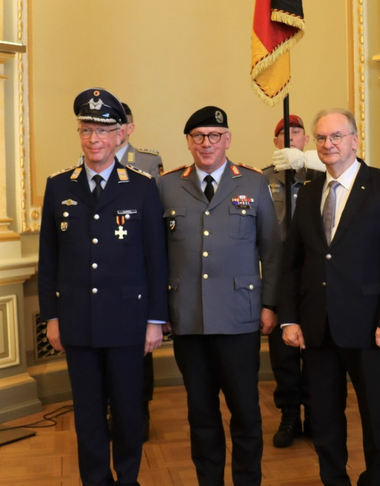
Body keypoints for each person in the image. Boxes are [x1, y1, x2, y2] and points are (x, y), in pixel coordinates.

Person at [38, 88, 169, 486]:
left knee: (128, 411)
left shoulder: (142, 187)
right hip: (77, 321)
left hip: (128, 321)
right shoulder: (59, 186)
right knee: (88, 413)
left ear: (119, 135)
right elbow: (49, 260)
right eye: (86, 130)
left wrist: (155, 320)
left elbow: (156, 259)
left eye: (102, 131)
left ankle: (128, 479)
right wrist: (52, 318)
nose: (93, 139)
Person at [280, 108, 380, 486]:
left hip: (371, 327)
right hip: (317, 327)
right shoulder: (309, 193)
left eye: (337, 136)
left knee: (376, 417)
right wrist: (289, 318)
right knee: (324, 417)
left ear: (355, 140)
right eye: (322, 138)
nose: (329, 144)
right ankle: (333, 479)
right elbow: (293, 262)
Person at [159, 106, 282, 486]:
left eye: (214, 136)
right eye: (198, 136)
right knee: (201, 414)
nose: (206, 143)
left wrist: (270, 304)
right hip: (188, 317)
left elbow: (272, 250)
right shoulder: (166, 186)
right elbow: (155, 255)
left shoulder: (253, 183)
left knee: (245, 411)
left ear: (227, 139)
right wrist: (159, 311)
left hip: (239, 317)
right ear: (188, 141)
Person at [262, 114, 321, 447]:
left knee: (314, 349)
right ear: (275, 143)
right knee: (283, 354)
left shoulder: (321, 174)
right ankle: (289, 415)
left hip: (313, 274)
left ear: (306, 141)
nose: (290, 137)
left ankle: (313, 412)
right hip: (280, 274)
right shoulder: (264, 179)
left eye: (296, 132)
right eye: (284, 133)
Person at [117, 101, 164, 441]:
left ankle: (142, 409)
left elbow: (156, 216)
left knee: (139, 349)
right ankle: (113, 409)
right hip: (107, 268)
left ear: (129, 128)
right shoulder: (86, 160)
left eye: (119, 125)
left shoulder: (147, 162)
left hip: (137, 265)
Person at [118, 102, 164, 182]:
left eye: (118, 124)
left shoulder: (149, 161)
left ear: (130, 128)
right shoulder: (95, 159)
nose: (111, 128)